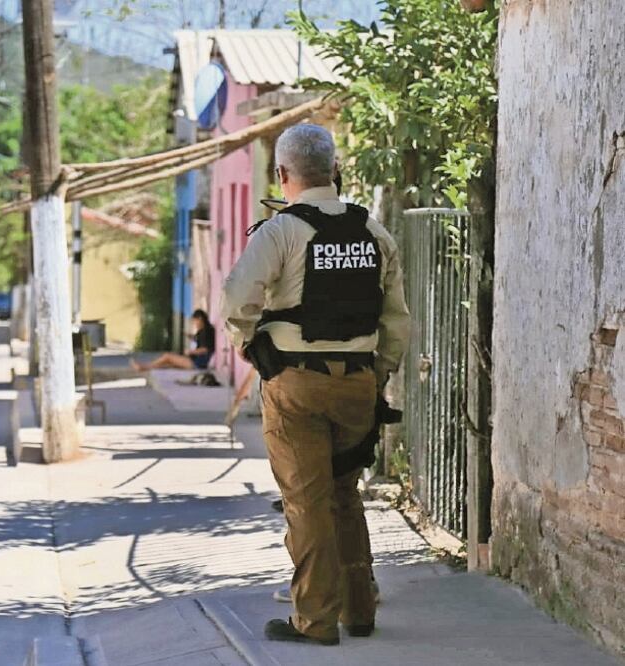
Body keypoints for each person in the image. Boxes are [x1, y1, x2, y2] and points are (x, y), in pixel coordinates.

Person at [220, 124, 410, 646]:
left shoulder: (280, 232)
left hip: (296, 385)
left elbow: (237, 298)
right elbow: (396, 321)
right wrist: (378, 374)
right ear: (335, 170)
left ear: (282, 174)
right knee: (344, 493)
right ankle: (360, 609)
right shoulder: (375, 233)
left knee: (306, 502)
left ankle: (315, 620)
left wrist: (248, 345)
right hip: (359, 384)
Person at [131, 309, 215, 372]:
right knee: (168, 364)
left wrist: (191, 352)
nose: (195, 324)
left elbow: (205, 349)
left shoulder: (206, 332)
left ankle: (143, 367)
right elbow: (198, 339)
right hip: (197, 362)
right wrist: (189, 335)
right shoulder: (203, 330)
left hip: (197, 363)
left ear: (200, 319)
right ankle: (144, 367)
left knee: (167, 356)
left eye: (195, 321)